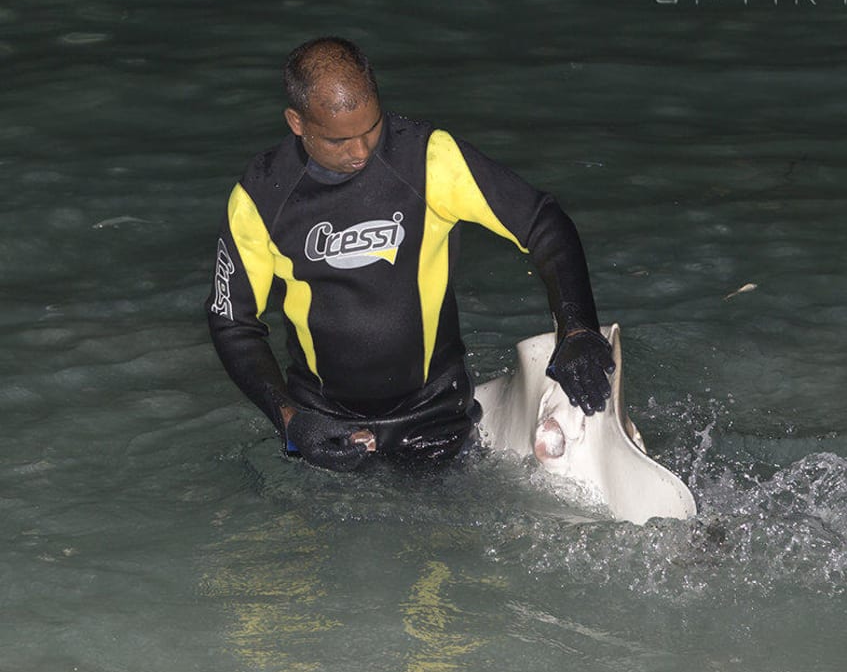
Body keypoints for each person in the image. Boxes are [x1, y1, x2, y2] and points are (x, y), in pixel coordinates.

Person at [205, 36, 614, 471]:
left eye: (371, 128)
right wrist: (291, 421)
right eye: (339, 140)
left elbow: (544, 223)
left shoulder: (426, 158)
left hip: (435, 416)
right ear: (297, 122)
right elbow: (232, 322)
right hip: (324, 427)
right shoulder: (263, 195)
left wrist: (578, 330)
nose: (361, 151)